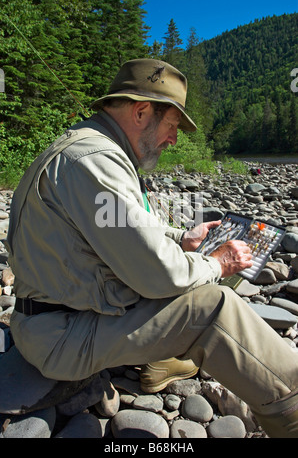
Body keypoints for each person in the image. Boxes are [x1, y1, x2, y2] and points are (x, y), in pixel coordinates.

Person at [6, 59, 298, 438]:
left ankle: (168, 359)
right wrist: (216, 261)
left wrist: (183, 241)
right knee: (214, 305)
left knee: (213, 269)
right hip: (61, 338)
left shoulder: (91, 147)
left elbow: (121, 228)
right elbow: (160, 275)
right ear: (142, 111)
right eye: (173, 125)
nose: (174, 138)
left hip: (60, 317)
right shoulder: (95, 162)